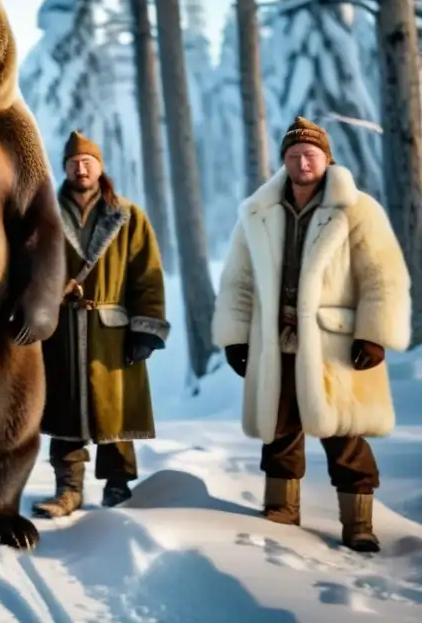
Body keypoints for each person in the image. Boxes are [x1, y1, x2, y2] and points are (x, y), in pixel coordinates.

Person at [212, 116, 411, 553]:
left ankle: (358, 523)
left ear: (327, 159)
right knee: (279, 428)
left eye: (311, 154)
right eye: (294, 154)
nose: (303, 161)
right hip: (276, 339)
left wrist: (374, 333)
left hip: (334, 342)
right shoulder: (258, 213)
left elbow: (383, 276)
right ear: (284, 160)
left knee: (344, 432)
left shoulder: (358, 210)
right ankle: (281, 514)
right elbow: (239, 280)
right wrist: (236, 337)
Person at [33, 132, 170, 517]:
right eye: (74, 161)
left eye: (88, 160)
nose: (81, 167)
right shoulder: (44, 214)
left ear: (100, 166)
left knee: (116, 411)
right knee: (63, 409)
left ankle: (117, 485)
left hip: (112, 331)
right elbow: (26, 269)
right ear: (64, 167)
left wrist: (146, 329)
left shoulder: (127, 216)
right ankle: (68, 490)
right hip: (59, 330)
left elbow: (147, 275)